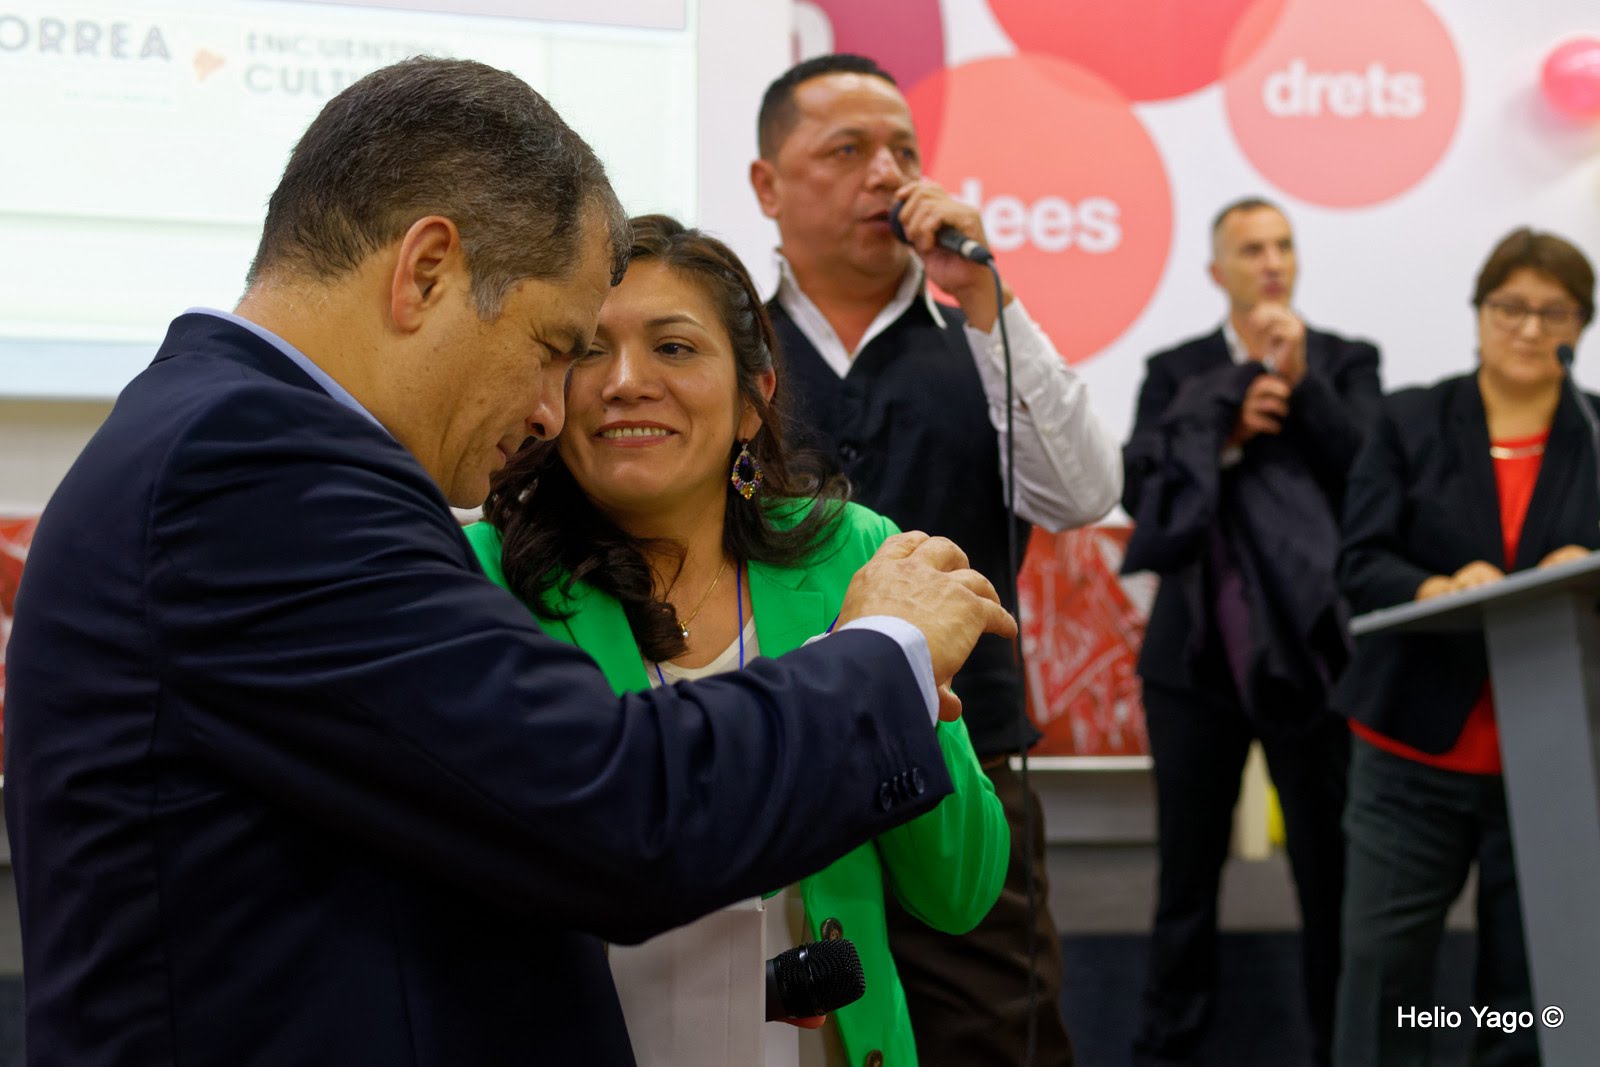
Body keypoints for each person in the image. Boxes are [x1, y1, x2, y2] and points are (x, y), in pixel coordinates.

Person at [2, 58, 1020, 1066]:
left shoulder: (239, 442)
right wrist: (885, 649)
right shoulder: (258, 470)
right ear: (427, 270)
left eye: (672, 351)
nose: (552, 405)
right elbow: (622, 810)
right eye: (555, 346)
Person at [467, 213, 1010, 1066]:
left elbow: (961, 888)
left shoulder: (854, 551)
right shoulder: (482, 575)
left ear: (753, 397)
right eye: (588, 352)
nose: (625, 382)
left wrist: (903, 667)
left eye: (674, 348)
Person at [748, 53, 1122, 1066]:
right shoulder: (729, 352)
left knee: (998, 1033)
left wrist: (988, 297)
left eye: (903, 150)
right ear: (765, 186)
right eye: (847, 149)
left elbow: (1083, 491)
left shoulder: (980, 337)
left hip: (970, 758)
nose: (887, 173)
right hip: (785, 757)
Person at [1120, 197, 1381, 1066]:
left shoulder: (1348, 360)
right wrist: (1222, 435)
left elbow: (1372, 483)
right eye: (1249, 248)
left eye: (1282, 245)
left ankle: (1340, 1047)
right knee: (1185, 880)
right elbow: (1138, 484)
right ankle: (1169, 1048)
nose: (1270, 261)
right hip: (1193, 659)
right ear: (1215, 272)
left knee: (1330, 875)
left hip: (1310, 658)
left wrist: (1304, 386)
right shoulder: (1176, 369)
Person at [1334, 227, 1597, 1066]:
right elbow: (1359, 560)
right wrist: (1431, 587)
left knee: (1531, 994)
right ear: (1479, 313)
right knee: (1386, 976)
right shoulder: (1410, 419)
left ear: (1579, 326)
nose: (1528, 328)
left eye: (1552, 311)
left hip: (1557, 757)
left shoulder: (1596, 433)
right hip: (1414, 748)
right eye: (1509, 306)